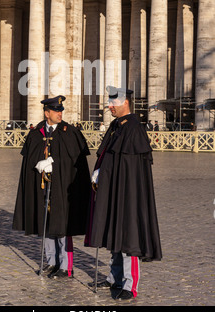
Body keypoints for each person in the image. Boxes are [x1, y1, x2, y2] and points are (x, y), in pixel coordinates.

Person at [85, 86, 162, 300]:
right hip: (113, 189)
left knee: (129, 237)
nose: (109, 107)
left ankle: (130, 284)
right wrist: (100, 172)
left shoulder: (134, 128)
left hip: (129, 193)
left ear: (125, 103)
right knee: (114, 232)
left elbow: (133, 167)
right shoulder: (116, 125)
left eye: (113, 103)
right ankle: (114, 278)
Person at [12, 95, 91, 279]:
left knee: (62, 224)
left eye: (61, 110)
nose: (59, 114)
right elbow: (29, 159)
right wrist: (38, 164)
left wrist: (54, 163)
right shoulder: (36, 132)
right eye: (56, 111)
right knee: (45, 222)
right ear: (47, 113)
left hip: (64, 187)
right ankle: (51, 261)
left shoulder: (69, 132)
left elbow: (75, 162)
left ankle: (65, 265)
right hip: (42, 187)